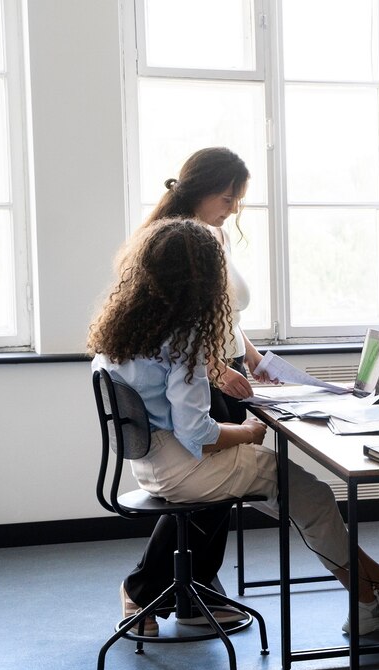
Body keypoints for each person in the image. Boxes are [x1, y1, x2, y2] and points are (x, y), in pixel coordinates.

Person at [90, 218, 379, 636]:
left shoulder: (128, 329)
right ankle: (372, 596)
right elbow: (197, 434)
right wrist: (247, 434)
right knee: (311, 496)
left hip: (149, 466)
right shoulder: (183, 334)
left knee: (300, 499)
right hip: (186, 467)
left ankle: (378, 590)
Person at [117, 148, 267, 634]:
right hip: (202, 372)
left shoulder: (212, 235)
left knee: (215, 495)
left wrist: (252, 356)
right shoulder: (176, 243)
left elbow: (226, 314)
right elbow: (177, 322)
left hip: (222, 366)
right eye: (226, 197)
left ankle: (197, 589)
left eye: (237, 200)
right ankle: (145, 589)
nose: (232, 208)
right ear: (200, 190)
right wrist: (217, 368)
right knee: (207, 490)